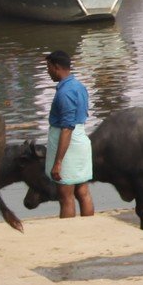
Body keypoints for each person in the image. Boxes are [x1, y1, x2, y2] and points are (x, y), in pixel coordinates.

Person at [44, 51, 94, 218]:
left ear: (56, 67)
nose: (47, 71)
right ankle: (88, 228)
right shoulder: (79, 86)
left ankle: (70, 232)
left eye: (48, 67)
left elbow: (67, 128)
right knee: (83, 191)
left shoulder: (64, 93)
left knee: (66, 196)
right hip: (80, 141)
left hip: (68, 146)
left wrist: (58, 162)